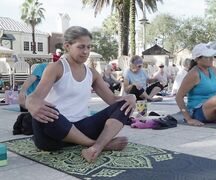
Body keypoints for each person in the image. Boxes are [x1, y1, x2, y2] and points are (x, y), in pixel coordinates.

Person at [25, 26, 136, 163]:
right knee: (47, 111)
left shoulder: (92, 74)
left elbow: (112, 100)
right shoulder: (56, 68)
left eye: (89, 47)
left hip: (83, 129)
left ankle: (96, 147)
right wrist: (31, 102)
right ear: (67, 46)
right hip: (53, 135)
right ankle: (98, 144)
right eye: (81, 47)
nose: (86, 52)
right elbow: (36, 97)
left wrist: (131, 97)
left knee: (125, 104)